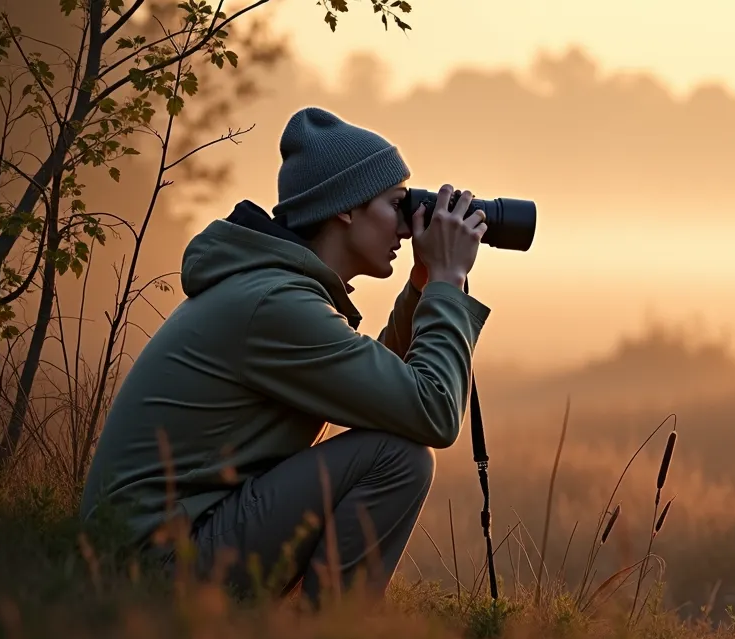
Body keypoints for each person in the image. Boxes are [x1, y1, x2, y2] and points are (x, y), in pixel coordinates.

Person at [78, 106, 491, 607]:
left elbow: (384, 390)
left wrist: (425, 284)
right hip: (151, 573)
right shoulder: (275, 305)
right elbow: (433, 411)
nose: (408, 228)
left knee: (395, 445)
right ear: (346, 208)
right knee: (401, 459)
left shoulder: (274, 292)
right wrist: (448, 283)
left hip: (154, 551)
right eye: (398, 204)